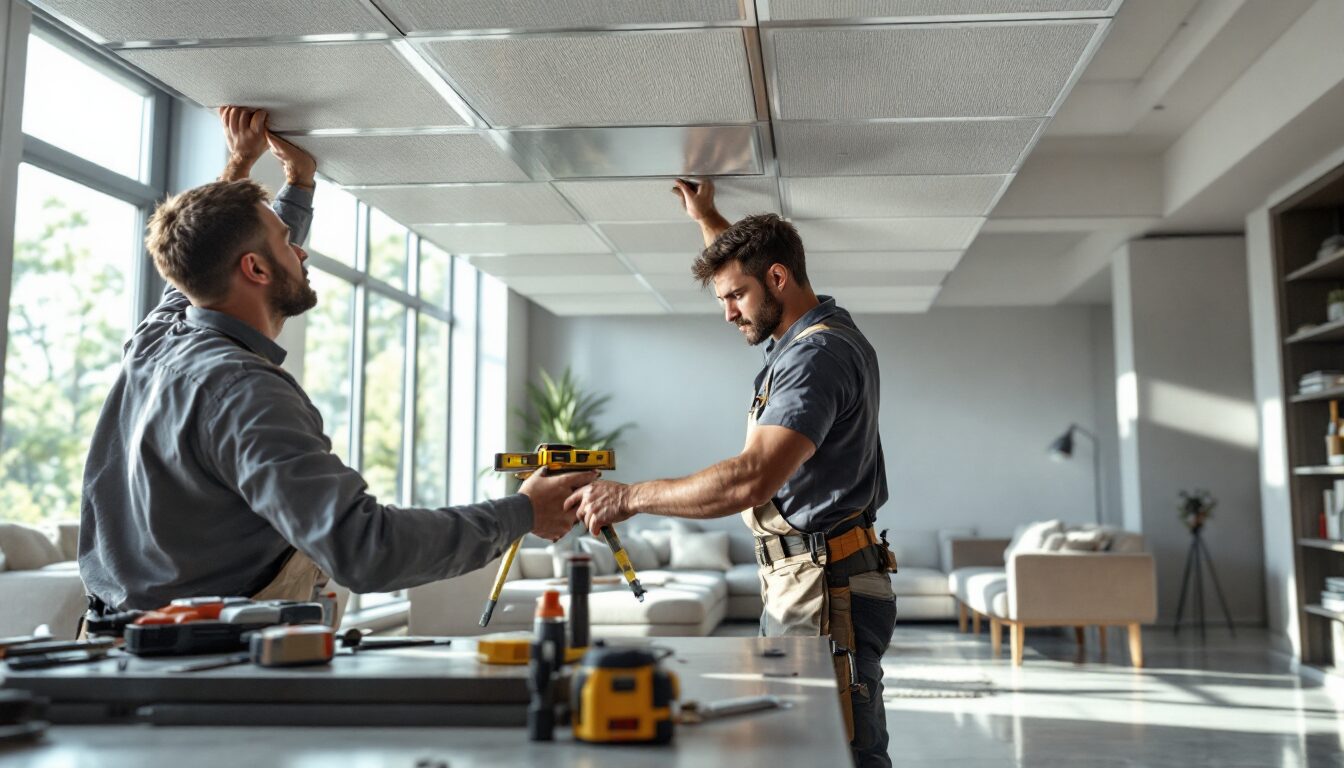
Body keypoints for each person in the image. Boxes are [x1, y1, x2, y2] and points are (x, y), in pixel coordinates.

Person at [79, 107, 592, 616]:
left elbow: (200, 257)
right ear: (254, 267)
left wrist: (272, 177)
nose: (300, 253)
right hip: (197, 668)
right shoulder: (244, 393)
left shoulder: (158, 337)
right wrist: (523, 511)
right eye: (287, 242)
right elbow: (366, 548)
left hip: (115, 645)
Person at [567, 179, 896, 767]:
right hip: (809, 577)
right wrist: (707, 217)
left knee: (829, 750)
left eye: (735, 297)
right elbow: (742, 264)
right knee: (803, 742)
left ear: (778, 279)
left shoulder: (816, 358)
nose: (727, 313)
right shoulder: (806, 334)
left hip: (826, 586)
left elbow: (751, 479)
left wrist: (629, 498)